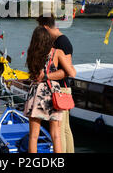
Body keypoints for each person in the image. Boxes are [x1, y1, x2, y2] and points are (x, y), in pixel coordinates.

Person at [23, 26, 76, 153]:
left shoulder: (32, 54)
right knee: (56, 135)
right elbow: (71, 73)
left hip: (36, 92)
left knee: (33, 136)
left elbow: (32, 75)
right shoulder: (57, 53)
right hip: (52, 93)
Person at [37, 14, 75, 153]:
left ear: (46, 27)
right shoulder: (58, 41)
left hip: (61, 90)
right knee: (64, 129)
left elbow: (68, 71)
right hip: (60, 90)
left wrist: (45, 76)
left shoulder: (62, 42)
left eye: (41, 29)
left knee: (59, 130)